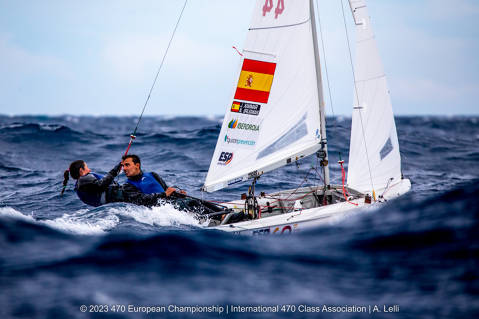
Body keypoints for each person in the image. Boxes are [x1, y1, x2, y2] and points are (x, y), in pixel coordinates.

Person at [63, 160, 162, 207]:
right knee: (151, 177)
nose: (90, 169)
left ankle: (164, 197)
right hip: (121, 195)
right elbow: (101, 185)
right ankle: (166, 196)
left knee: (146, 197)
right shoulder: (84, 179)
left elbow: (101, 184)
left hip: (117, 198)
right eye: (87, 167)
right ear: (81, 170)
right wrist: (115, 170)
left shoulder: (81, 184)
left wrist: (116, 169)